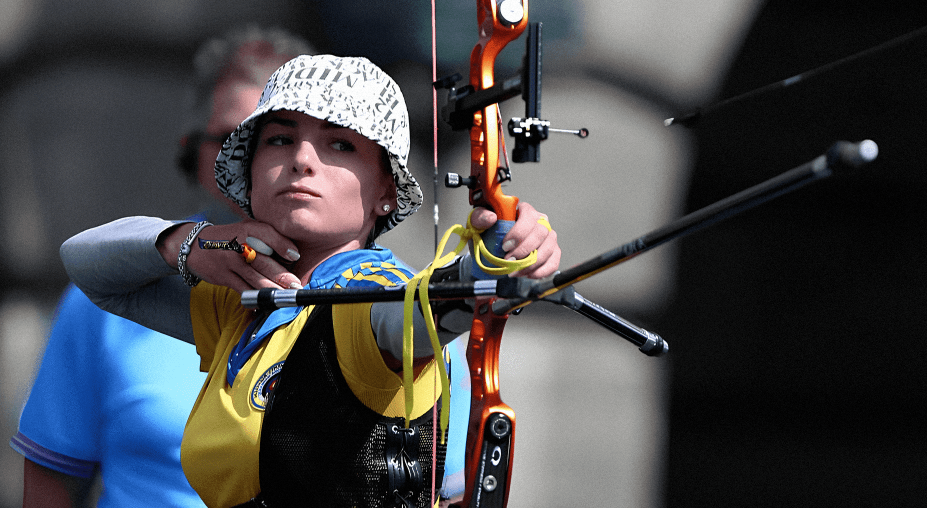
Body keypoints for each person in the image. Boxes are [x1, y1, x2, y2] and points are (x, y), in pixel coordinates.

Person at [60, 54, 560, 508]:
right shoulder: (243, 301)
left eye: (340, 144)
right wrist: (187, 244)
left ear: (386, 189)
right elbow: (87, 266)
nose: (301, 159)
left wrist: (498, 258)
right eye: (279, 139)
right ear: (251, 173)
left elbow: (421, 311)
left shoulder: (369, 297)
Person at [11, 25, 316, 508]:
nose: (254, 165)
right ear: (192, 152)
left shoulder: (380, 294)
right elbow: (51, 480)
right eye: (233, 140)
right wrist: (182, 245)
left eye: (278, 139)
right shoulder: (124, 278)